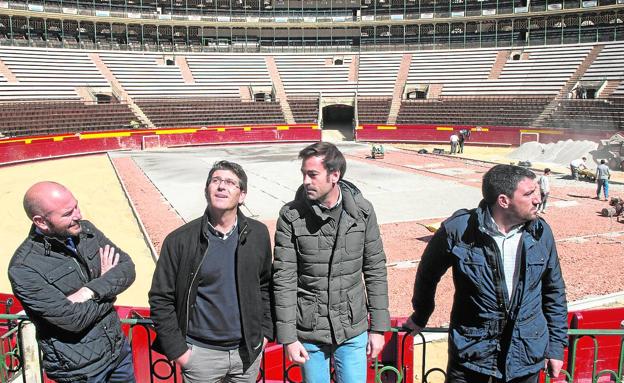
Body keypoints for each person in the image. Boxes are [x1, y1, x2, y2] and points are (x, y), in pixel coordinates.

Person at [404, 164, 568, 383]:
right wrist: (421, 314)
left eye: (536, 192)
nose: (537, 200)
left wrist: (556, 347)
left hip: (525, 355)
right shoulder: (459, 229)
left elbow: (554, 291)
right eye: (529, 194)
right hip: (472, 355)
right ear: (503, 201)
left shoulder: (541, 232)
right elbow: (427, 273)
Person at [273, 142, 390, 383]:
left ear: (335, 175)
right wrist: (288, 338)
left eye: (312, 174)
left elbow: (375, 269)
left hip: (352, 328)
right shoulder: (290, 216)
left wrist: (378, 328)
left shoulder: (363, 212)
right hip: (309, 331)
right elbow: (284, 278)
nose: (306, 181)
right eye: (304, 174)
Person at [149, 160, 273, 383]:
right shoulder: (179, 240)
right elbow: (160, 299)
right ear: (207, 190)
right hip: (199, 356)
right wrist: (180, 353)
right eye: (215, 181)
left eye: (230, 182)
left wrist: (264, 335)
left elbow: (265, 286)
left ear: (242, 195)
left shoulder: (258, 234)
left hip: (247, 354)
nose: (221, 186)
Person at [8, 181, 137, 383]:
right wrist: (108, 288)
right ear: (41, 222)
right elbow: (73, 320)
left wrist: (90, 290)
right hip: (80, 372)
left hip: (118, 353)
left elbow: (127, 269)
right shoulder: (24, 269)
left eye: (76, 206)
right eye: (68, 213)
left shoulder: (86, 232)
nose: (79, 215)